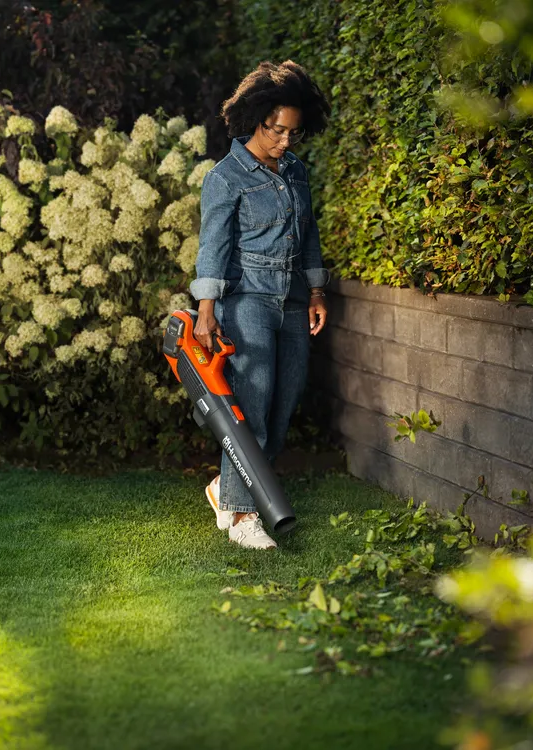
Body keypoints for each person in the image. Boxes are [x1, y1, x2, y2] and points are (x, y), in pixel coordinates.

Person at [189, 60, 331, 550]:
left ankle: (224, 487)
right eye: (275, 131)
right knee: (251, 402)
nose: (285, 142)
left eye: (293, 132)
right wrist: (206, 309)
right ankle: (239, 511)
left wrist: (315, 291)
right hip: (246, 299)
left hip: (292, 299)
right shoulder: (225, 178)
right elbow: (212, 247)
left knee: (283, 402)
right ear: (254, 119)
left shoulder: (295, 172)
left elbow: (307, 234)